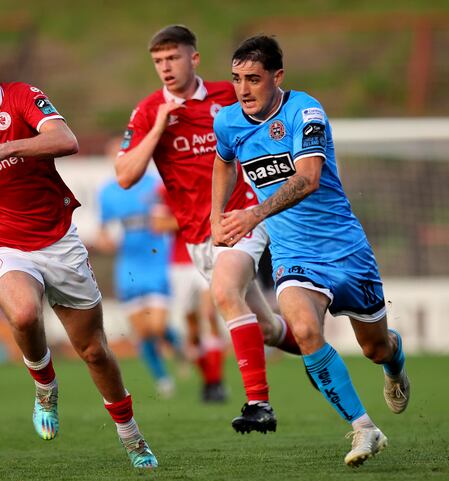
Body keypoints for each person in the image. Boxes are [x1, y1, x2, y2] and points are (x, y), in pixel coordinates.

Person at [0, 24, 157, 468]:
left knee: (94, 350)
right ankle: (44, 383)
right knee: (21, 312)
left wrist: (6, 147)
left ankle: (131, 435)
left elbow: (66, 139)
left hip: (59, 242)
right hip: (3, 246)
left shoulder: (21, 97)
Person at [211, 35, 410, 467]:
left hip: (346, 251)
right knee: (302, 331)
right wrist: (216, 214)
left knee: (376, 348)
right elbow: (224, 159)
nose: (242, 90)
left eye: (253, 79)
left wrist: (252, 215)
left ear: (277, 77)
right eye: (235, 79)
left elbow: (309, 178)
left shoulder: (305, 111)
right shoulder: (228, 121)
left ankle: (394, 364)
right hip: (293, 254)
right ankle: (364, 428)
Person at [114, 24, 301, 435]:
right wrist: (160, 127)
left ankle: (258, 404)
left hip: (242, 217)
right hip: (198, 237)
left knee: (223, 294)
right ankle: (314, 347)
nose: (165, 67)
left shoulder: (227, 95)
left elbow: (274, 127)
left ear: (193, 58)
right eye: (158, 61)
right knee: (267, 327)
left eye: (173, 58)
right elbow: (125, 174)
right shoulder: (148, 111)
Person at [95, 140, 176, 398]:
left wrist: (162, 223)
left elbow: (173, 217)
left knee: (159, 326)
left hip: (156, 259)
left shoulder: (155, 182)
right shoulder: (108, 191)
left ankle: (184, 350)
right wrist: (105, 241)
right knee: (142, 331)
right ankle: (162, 378)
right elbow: (103, 230)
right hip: (128, 263)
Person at [150, 191, 227, 403]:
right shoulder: (164, 188)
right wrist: (194, 218)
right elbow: (158, 224)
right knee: (192, 329)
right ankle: (208, 380)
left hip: (207, 257)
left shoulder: (210, 180)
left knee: (210, 315)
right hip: (179, 266)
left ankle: (216, 383)